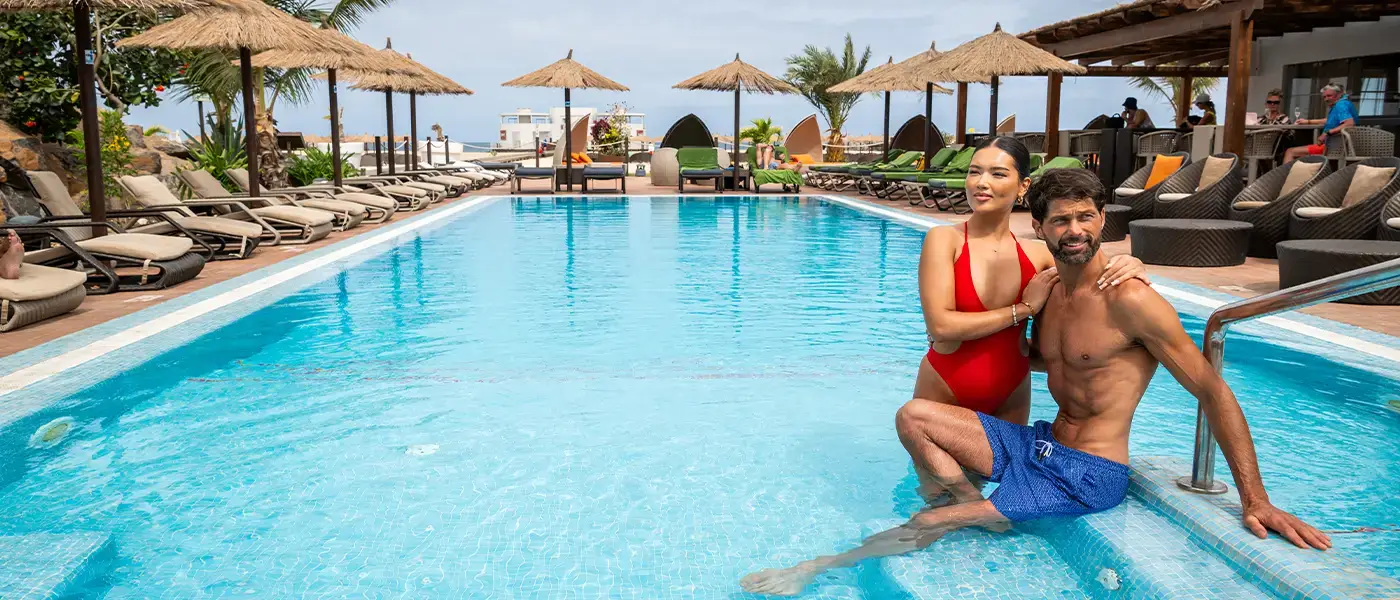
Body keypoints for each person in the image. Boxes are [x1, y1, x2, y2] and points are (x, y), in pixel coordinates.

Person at [739, 168, 1329, 597]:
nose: (1075, 229)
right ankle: (984, 508)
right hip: (1041, 445)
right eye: (1061, 219)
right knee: (915, 414)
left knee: (929, 519)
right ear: (1041, 227)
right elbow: (1041, 357)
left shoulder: (1132, 301)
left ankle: (817, 570)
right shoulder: (1050, 291)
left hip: (1088, 472)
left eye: (1086, 217)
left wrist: (1256, 499)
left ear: (1103, 220)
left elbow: (1212, 391)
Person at [912, 136, 1145, 491]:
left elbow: (1089, 272)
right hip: (947, 383)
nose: (981, 182)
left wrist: (1132, 262)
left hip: (1011, 391)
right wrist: (1024, 309)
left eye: (997, 173)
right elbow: (942, 326)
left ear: (1023, 186)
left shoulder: (1037, 255)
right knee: (938, 496)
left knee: (998, 491)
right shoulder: (944, 240)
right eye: (974, 172)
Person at [1283, 83, 1358, 163]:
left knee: (1290, 151)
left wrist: (1327, 133)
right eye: (1324, 97)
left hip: (1331, 147)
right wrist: (1308, 121)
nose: (1326, 99)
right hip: (1337, 146)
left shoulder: (1341, 105)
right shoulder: (1343, 103)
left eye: (1329, 96)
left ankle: (1286, 175)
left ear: (1339, 94)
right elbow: (1330, 120)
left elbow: (1349, 123)